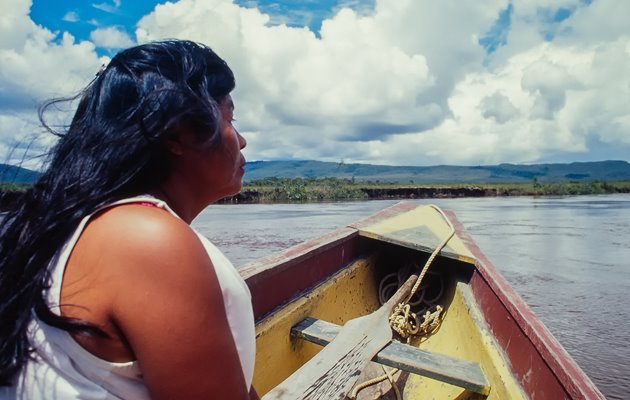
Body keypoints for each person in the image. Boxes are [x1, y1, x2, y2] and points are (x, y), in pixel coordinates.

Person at [0, 40, 258, 399]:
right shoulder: (146, 239)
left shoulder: (73, 223)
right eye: (230, 118)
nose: (242, 141)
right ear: (179, 132)